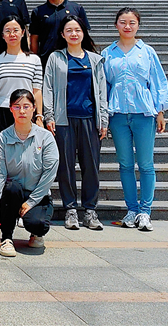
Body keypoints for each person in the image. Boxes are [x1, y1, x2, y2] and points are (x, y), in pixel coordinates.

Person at [102, 7, 168, 231]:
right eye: (123, 22)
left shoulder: (147, 51)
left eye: (132, 22)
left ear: (138, 25)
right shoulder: (108, 53)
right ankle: (132, 209)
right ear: (116, 25)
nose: (127, 26)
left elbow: (157, 81)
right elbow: (104, 85)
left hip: (144, 113)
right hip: (118, 114)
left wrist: (160, 111)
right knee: (125, 164)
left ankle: (145, 211)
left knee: (146, 164)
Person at [43, 15, 108, 231]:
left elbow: (101, 91)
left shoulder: (95, 60)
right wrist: (49, 116)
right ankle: (70, 209)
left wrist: (103, 119)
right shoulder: (55, 58)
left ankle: (90, 210)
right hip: (64, 120)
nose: (74, 34)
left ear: (83, 33)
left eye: (77, 30)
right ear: (62, 34)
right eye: (69, 30)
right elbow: (48, 88)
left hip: (89, 119)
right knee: (66, 166)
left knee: (91, 167)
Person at [0, 89, 59, 257]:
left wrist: (32, 201)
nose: (22, 111)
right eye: (17, 106)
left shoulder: (45, 137)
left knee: (38, 224)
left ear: (34, 108)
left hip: (38, 194)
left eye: (26, 106)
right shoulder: (2, 138)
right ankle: (6, 238)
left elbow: (49, 173)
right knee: (11, 188)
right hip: (13, 194)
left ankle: (36, 233)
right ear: (10, 109)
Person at [0, 16, 43, 138]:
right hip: (2, 111)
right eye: (7, 31)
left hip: (26, 111)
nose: (12, 34)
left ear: (23, 33)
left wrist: (39, 116)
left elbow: (37, 90)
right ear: (2, 35)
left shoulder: (34, 60)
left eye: (16, 30)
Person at [30, 0, 90, 69]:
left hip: (73, 60)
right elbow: (34, 39)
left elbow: (85, 36)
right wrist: (35, 60)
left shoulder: (76, 9)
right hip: (46, 61)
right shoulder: (38, 11)